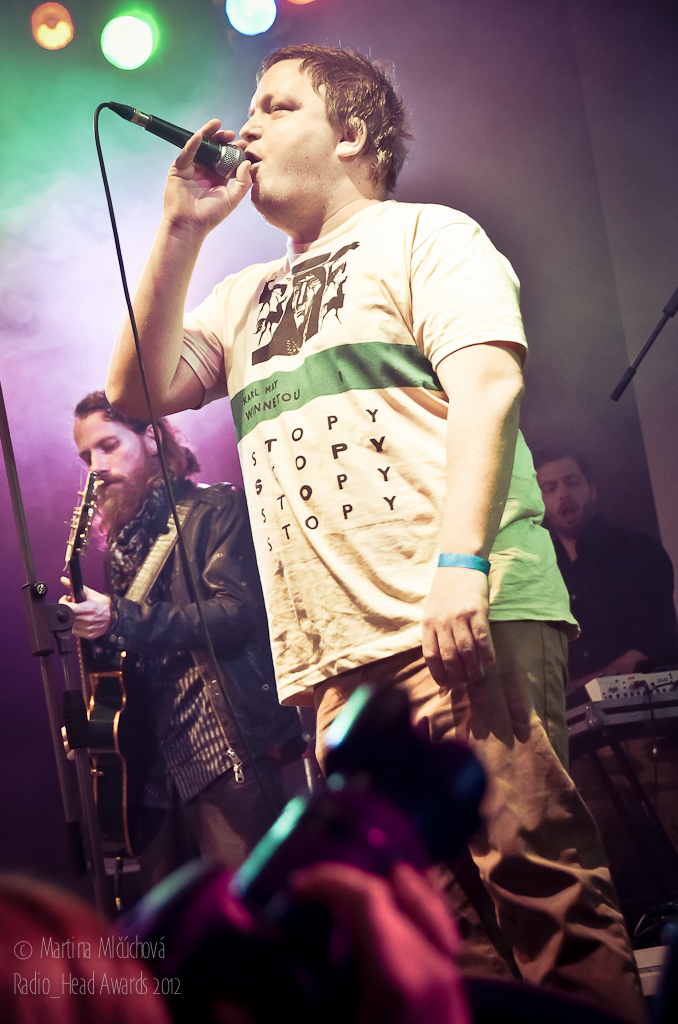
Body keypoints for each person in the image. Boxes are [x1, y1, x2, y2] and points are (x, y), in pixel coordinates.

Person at [104, 45, 645, 1020]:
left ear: (352, 133)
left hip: (461, 619)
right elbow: (134, 392)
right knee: (432, 939)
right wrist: (180, 227)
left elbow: (489, 387)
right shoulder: (239, 298)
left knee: (545, 896)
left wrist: (461, 563)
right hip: (334, 661)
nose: (247, 127)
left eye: (278, 107)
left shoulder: (429, 236)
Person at [61, 392, 304, 887]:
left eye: (108, 445)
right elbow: (132, 660)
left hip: (223, 755)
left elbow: (236, 614)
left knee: (252, 915)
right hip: (154, 778)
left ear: (152, 438)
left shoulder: (214, 509)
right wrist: (96, 723)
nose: (96, 467)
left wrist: (120, 616)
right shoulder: (120, 549)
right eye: (86, 457)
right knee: (180, 930)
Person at [534, 446, 678, 691]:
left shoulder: (639, 550)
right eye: (550, 488)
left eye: (572, 482)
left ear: (592, 490)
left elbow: (656, 643)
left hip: (640, 710)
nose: (563, 494)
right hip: (570, 715)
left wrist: (580, 689)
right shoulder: (541, 568)